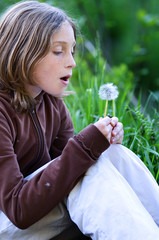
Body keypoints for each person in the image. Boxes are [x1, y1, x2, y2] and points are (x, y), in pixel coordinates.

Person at [0, 1, 158, 240]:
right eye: (58, 51)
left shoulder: (53, 104)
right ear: (24, 51)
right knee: (88, 165)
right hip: (9, 219)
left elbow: (67, 169)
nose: (71, 62)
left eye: (72, 50)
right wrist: (85, 145)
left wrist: (100, 144)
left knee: (114, 155)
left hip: (37, 215)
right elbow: (18, 209)